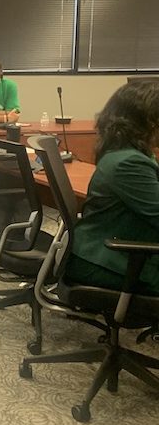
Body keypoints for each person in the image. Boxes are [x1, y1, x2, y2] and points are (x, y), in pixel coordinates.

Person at [65, 82, 159, 295]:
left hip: (98, 252)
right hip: (110, 260)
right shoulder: (130, 163)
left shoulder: (122, 151)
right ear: (146, 122)